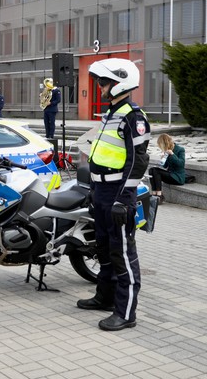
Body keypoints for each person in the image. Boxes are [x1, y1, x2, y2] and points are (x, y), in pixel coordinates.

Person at [77, 58, 150, 332]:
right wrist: (94, 190)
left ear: (121, 82)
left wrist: (123, 198)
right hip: (102, 191)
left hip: (119, 193)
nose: (100, 86)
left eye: (104, 82)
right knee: (104, 249)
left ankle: (126, 313)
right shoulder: (111, 113)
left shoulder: (133, 116)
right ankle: (104, 297)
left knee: (122, 254)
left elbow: (137, 161)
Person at [149, 133, 185, 203]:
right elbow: (165, 166)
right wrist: (163, 159)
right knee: (151, 170)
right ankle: (154, 193)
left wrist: (172, 154)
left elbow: (181, 164)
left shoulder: (180, 149)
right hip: (170, 174)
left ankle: (159, 195)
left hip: (178, 177)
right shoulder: (167, 150)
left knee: (156, 171)